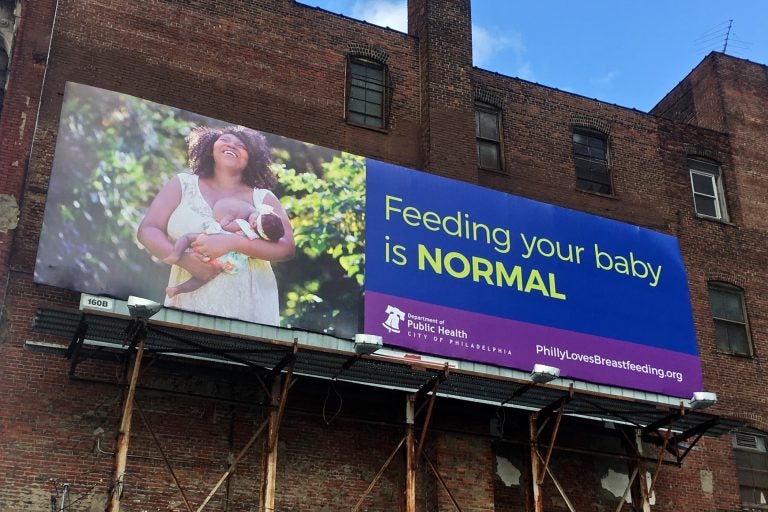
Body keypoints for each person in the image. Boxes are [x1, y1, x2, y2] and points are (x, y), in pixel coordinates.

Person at [137, 125, 295, 325]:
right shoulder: (182, 184)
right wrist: (184, 260)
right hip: (187, 307)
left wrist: (231, 243)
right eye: (225, 140)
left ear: (252, 158)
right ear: (210, 148)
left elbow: (286, 248)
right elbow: (148, 230)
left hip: (250, 311)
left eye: (241, 145)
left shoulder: (264, 198)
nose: (232, 145)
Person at [163, 197, 285, 298]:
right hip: (228, 261)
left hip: (212, 243)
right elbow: (252, 256)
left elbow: (225, 226)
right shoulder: (256, 240)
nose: (253, 214)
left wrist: (227, 219)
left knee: (188, 238)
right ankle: (176, 290)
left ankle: (176, 254)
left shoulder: (243, 224)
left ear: (253, 224)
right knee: (202, 278)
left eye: (256, 215)